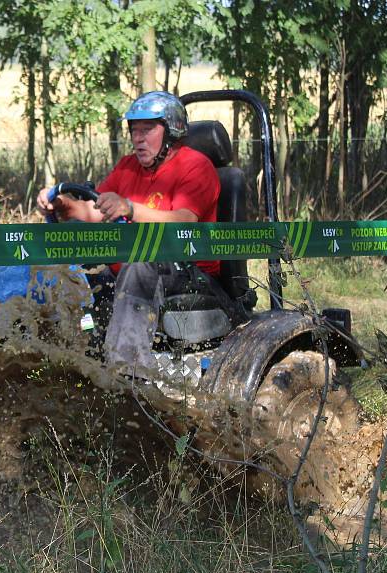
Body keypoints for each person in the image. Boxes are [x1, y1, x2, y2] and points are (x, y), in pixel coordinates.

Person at [37, 91, 240, 375]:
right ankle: (75, 356)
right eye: (134, 130)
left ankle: (128, 376)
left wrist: (130, 209)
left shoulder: (196, 167)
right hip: (137, 269)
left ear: (171, 131)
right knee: (74, 270)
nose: (138, 138)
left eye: (148, 130)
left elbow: (184, 223)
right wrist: (61, 205)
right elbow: (94, 211)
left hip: (189, 273)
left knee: (140, 266)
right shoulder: (128, 167)